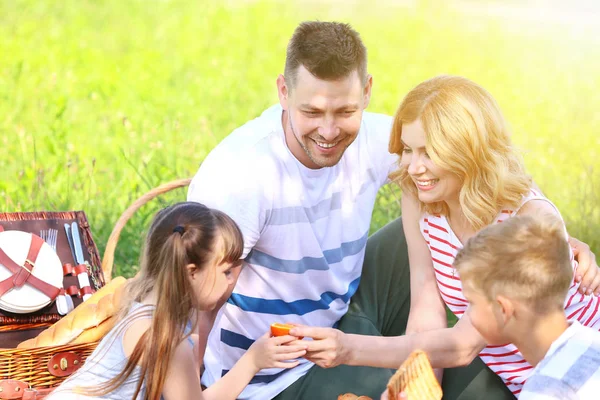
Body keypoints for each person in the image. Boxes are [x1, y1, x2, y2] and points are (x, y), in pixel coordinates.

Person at [188, 22, 600, 399]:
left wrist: (551, 235)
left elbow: (464, 343)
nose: (329, 131)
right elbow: (425, 309)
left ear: (366, 93)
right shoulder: (243, 176)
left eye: (345, 112)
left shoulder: (512, 213)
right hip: (267, 371)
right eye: (311, 112)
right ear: (283, 92)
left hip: (561, 371)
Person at [289, 75, 600, 399]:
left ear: (467, 151)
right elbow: (426, 309)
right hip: (517, 380)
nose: (413, 167)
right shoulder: (421, 200)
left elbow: (462, 345)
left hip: (573, 375)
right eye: (408, 149)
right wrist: (417, 385)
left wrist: (347, 349)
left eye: (429, 152)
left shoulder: (526, 217)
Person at [47, 202, 307, 400]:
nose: (232, 281)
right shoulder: (167, 340)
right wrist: (252, 362)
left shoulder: (145, 309)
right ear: (192, 272)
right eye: (226, 270)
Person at [454, 214, 600, 400]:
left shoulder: (544, 391)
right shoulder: (593, 340)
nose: (469, 314)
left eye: (472, 302)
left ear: (503, 309)